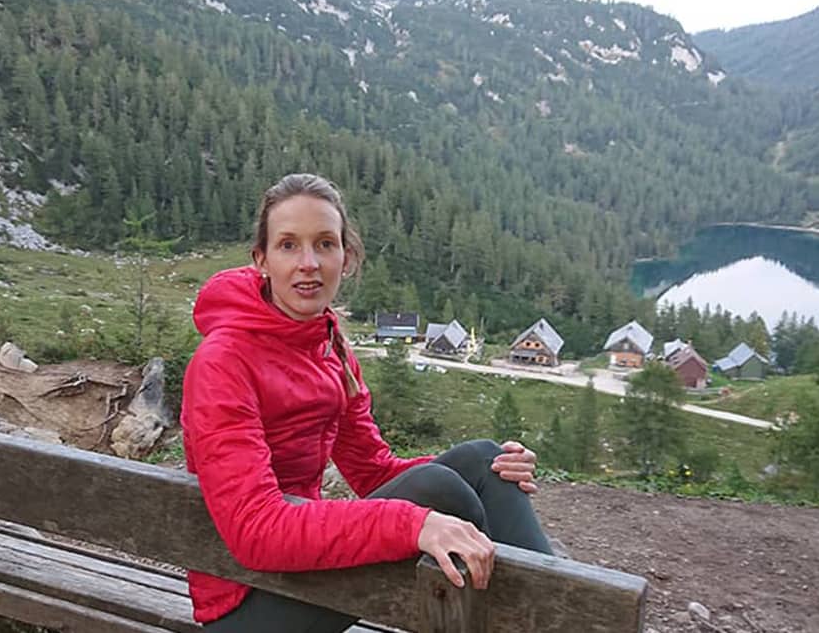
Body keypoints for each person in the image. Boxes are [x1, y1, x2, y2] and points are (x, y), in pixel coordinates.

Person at [181, 173, 553, 632]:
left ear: (347, 257)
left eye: (324, 244)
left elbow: (373, 472)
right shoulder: (223, 361)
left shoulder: (329, 346)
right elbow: (256, 531)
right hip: (247, 600)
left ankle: (564, 605)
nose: (309, 263)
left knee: (484, 461)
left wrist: (477, 481)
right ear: (262, 260)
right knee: (441, 491)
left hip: (298, 574)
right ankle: (562, 616)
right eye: (288, 245)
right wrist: (414, 523)